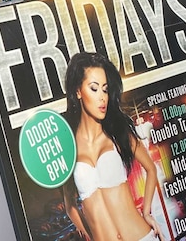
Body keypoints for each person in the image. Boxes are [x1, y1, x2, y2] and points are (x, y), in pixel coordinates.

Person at [62, 52, 160, 241]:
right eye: (94, 88)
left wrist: (147, 213)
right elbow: (70, 206)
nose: (102, 98)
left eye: (105, 90)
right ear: (78, 91)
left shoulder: (117, 132)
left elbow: (151, 168)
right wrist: (89, 235)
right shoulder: (68, 147)